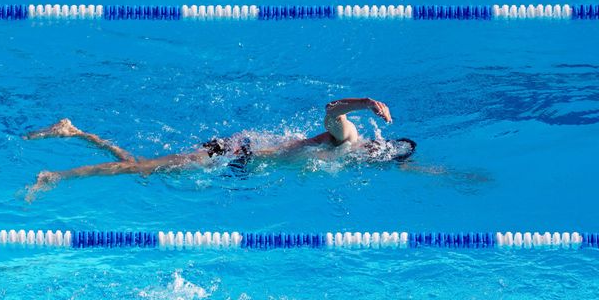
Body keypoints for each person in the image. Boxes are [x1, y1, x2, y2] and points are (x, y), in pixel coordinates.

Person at [24, 97, 416, 199]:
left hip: (240, 160)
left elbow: (417, 170)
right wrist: (366, 103)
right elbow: (332, 111)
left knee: (143, 168)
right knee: (142, 169)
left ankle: (75, 133)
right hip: (234, 151)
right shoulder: (347, 141)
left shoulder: (351, 161)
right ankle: (56, 174)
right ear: (376, 147)